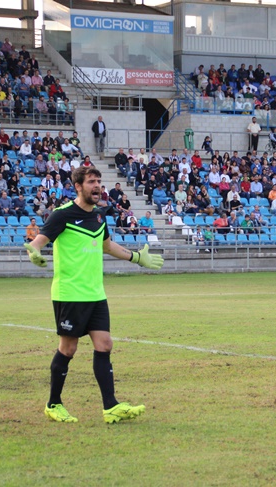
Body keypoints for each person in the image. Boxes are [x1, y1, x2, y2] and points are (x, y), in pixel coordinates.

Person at [23, 166, 164, 424]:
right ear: (78, 186)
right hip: (70, 293)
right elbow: (38, 241)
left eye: (99, 181)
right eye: (91, 182)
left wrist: (137, 258)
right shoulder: (62, 215)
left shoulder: (99, 216)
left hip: (96, 293)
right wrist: (34, 252)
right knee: (68, 348)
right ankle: (53, 404)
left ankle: (110, 406)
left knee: (105, 345)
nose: (97, 186)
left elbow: (107, 245)